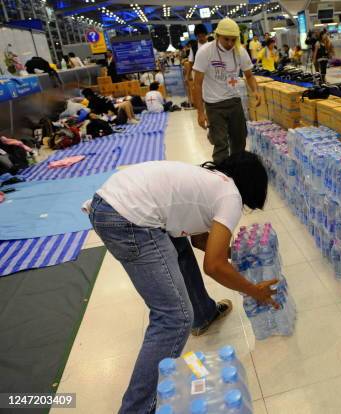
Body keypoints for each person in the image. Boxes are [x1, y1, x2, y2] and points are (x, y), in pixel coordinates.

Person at [84, 152, 278, 414]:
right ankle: (136, 409)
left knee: (180, 248)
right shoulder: (230, 196)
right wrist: (254, 291)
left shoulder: (209, 180)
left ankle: (204, 314)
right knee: (173, 318)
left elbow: (200, 241)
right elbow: (214, 266)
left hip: (107, 203)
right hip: (129, 219)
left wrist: (238, 254)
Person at [192, 17, 262, 163]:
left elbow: (249, 75)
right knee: (221, 144)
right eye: (226, 39)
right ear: (217, 36)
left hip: (234, 101)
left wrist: (255, 90)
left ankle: (237, 174)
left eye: (233, 39)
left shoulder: (240, 51)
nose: (230, 43)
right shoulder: (205, 52)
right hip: (214, 104)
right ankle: (222, 177)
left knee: (240, 140)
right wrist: (200, 112)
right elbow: (197, 84)